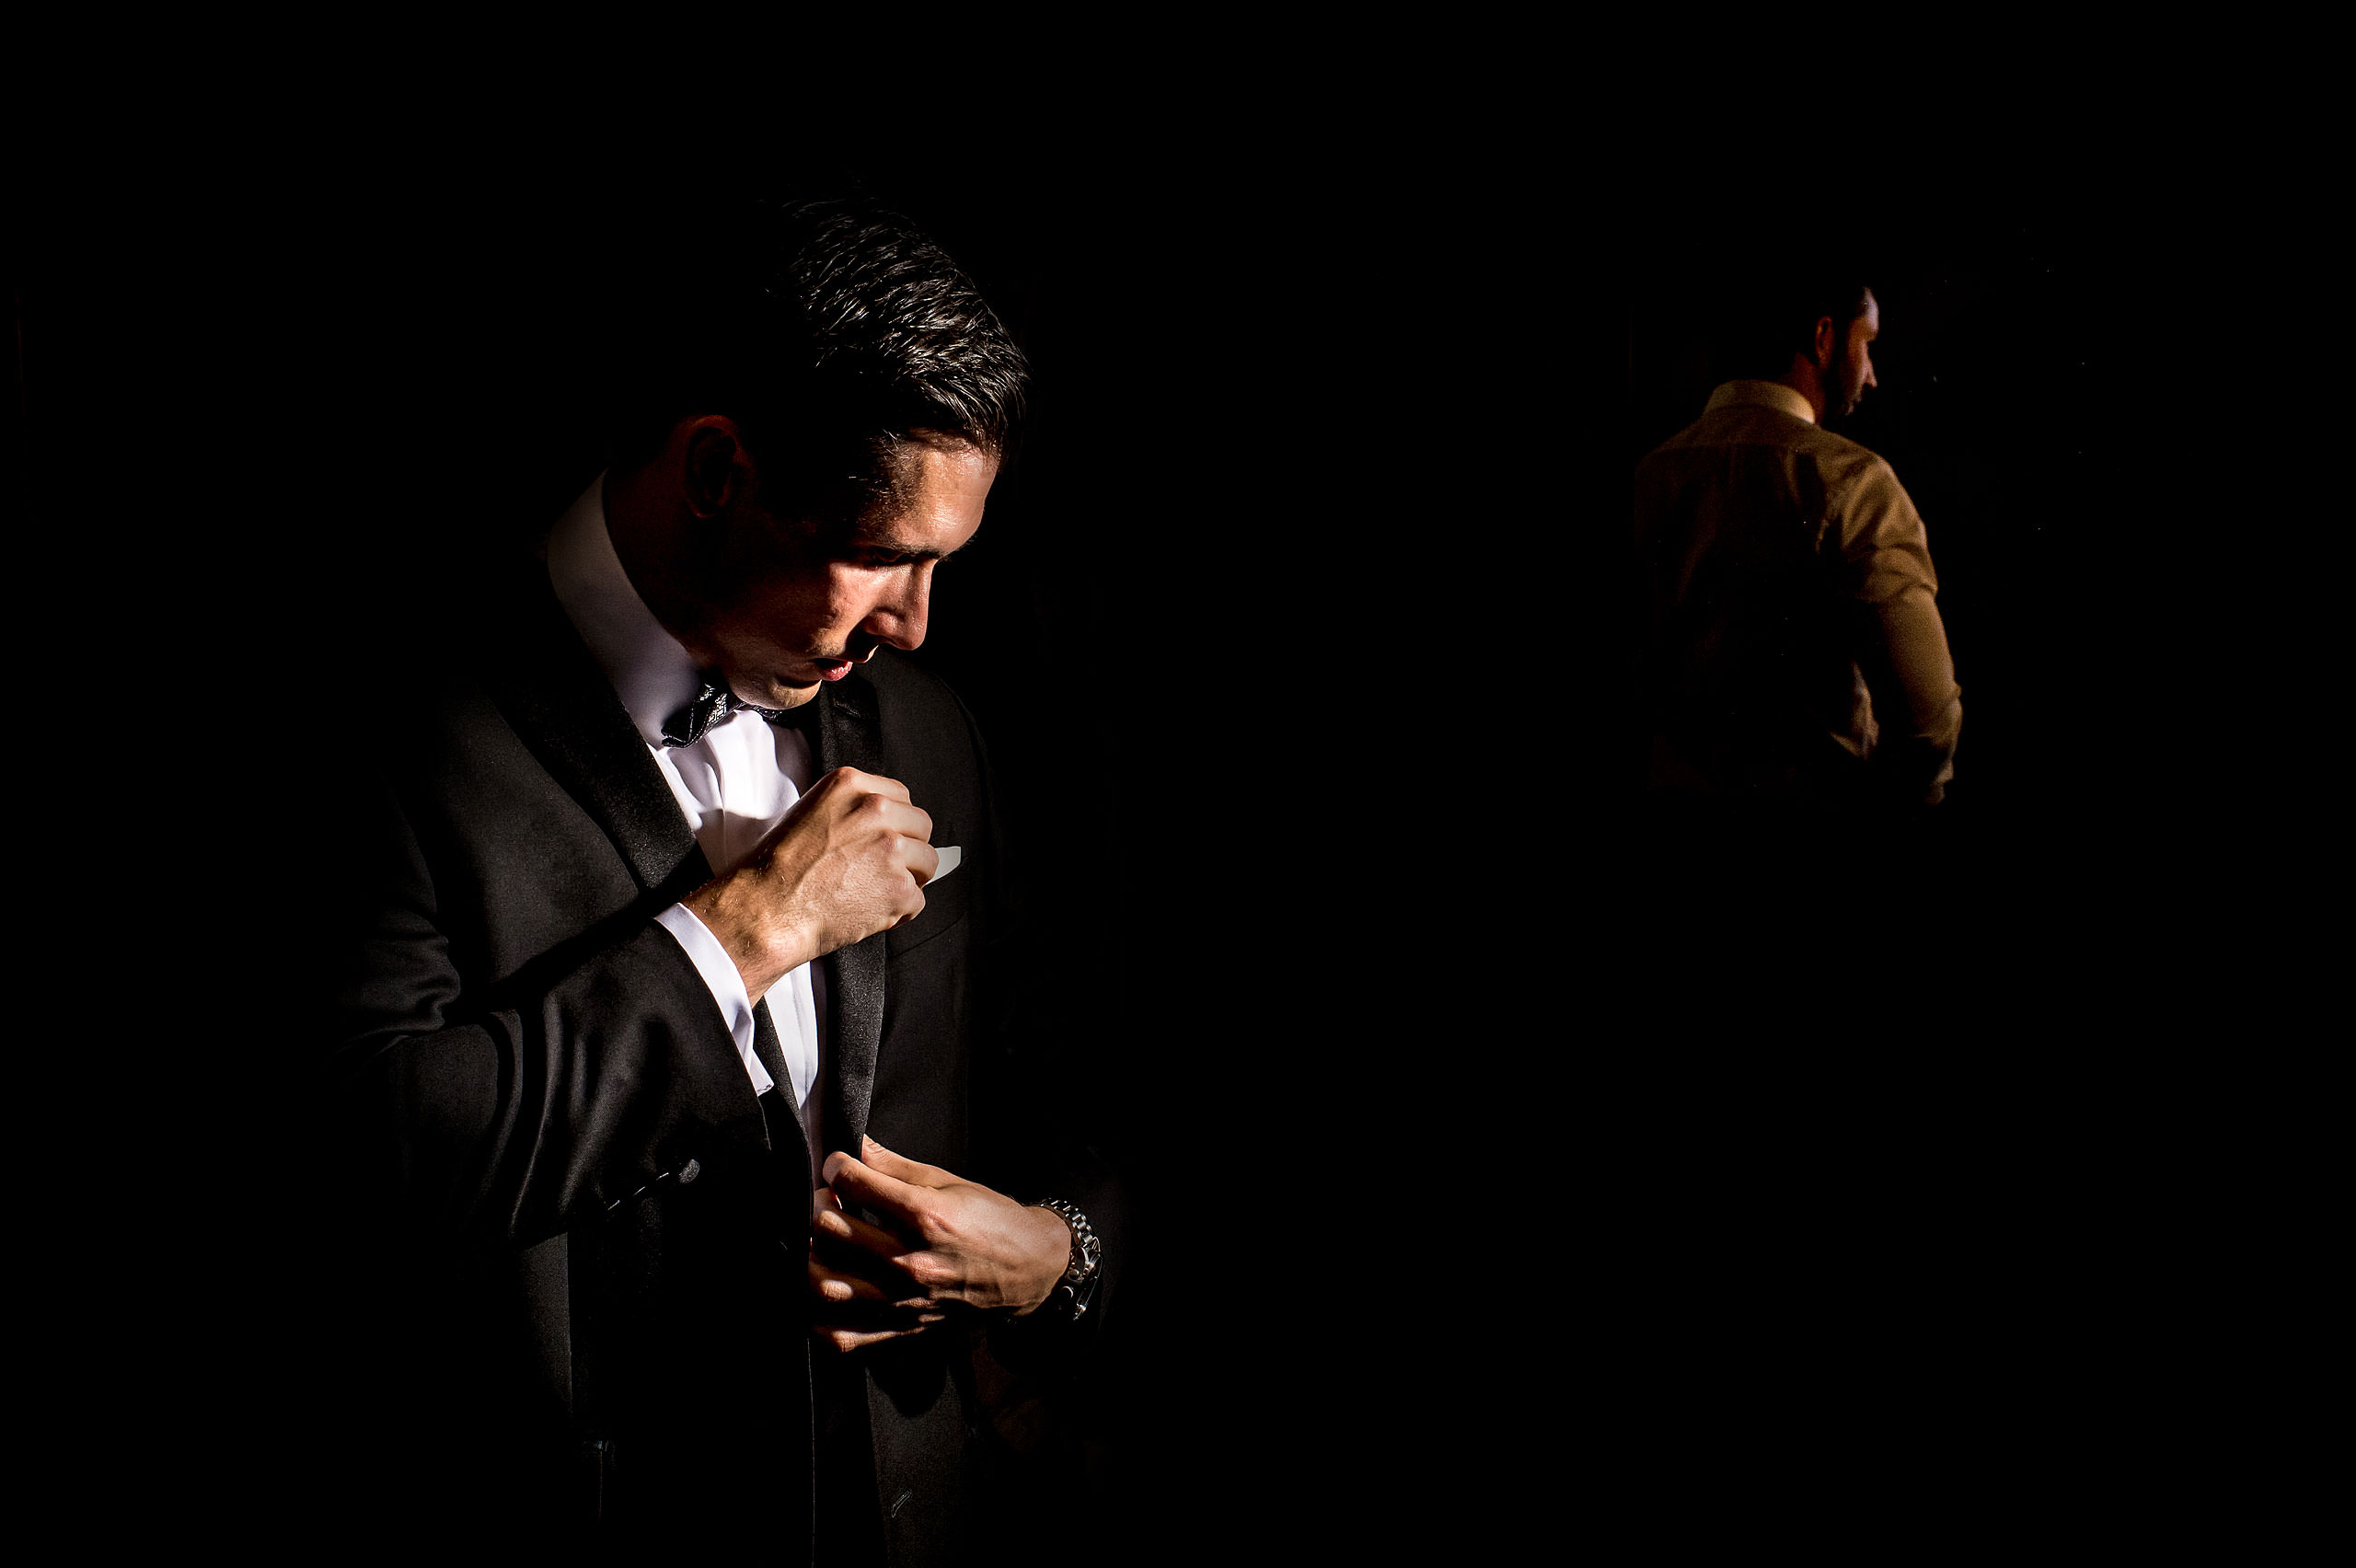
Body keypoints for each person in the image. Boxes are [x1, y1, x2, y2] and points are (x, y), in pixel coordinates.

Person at [294, 196, 1115, 1558]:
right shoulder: (394, 726)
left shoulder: (930, 728)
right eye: (883, 558)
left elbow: (1078, 1080)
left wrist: (1057, 1257)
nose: (915, 622)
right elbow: (358, 1158)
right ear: (720, 470)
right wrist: (743, 932)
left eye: (940, 565)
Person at [1634, 272, 1963, 810]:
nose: (1873, 376)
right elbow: (1927, 724)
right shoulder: (1852, 482)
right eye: (1868, 344)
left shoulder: (1647, 477)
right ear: (1824, 337)